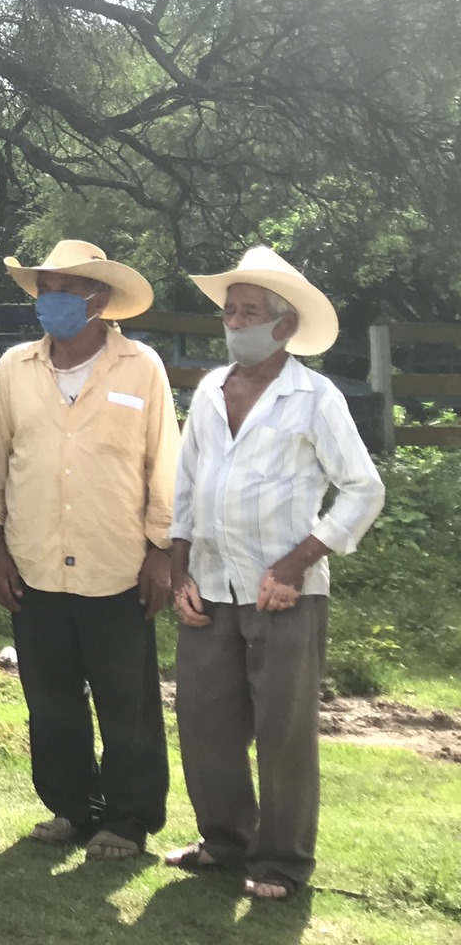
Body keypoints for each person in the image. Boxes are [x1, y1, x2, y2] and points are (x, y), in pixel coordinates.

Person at [163, 247, 384, 900]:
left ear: (284, 327)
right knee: (204, 719)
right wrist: (178, 569)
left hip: (284, 592)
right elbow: (185, 487)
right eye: (230, 311)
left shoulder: (314, 397)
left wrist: (297, 561)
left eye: (250, 312)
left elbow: (362, 491)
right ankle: (225, 841)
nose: (235, 322)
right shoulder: (208, 389)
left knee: (282, 730)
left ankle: (283, 861)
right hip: (209, 583)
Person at [0, 240, 179, 860]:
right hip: (34, 560)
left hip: (116, 563)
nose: (53, 302)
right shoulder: (15, 368)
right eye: (46, 290)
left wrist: (162, 553)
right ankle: (71, 806)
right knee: (51, 699)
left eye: (67, 290)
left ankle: (128, 818)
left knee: (128, 701)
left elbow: (164, 464)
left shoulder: (141, 367)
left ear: (100, 301)